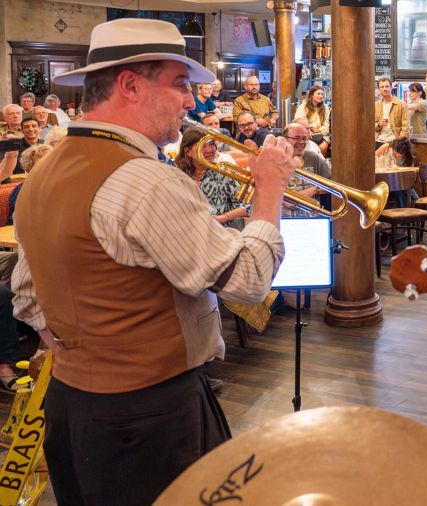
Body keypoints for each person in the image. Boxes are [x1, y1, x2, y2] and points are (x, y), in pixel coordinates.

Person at [11, 18, 293, 505]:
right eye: (181, 84)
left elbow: (27, 290)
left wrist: (82, 347)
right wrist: (271, 190)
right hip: (150, 417)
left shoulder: (43, 171)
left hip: (73, 406)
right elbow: (247, 281)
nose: (191, 100)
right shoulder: (146, 180)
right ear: (130, 85)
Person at [175, 127, 250, 228]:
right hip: (187, 230)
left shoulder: (224, 173)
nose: (209, 150)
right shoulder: (179, 175)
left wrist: (223, 218)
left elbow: (247, 207)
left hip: (220, 231)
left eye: (211, 144)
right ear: (188, 151)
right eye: (202, 146)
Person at [293, 85, 331, 154]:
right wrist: (307, 131)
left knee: (323, 146)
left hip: (321, 135)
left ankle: (320, 163)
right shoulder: (303, 107)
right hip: (306, 134)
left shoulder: (325, 108)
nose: (321, 96)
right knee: (309, 148)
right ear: (311, 95)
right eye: (318, 94)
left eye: (322, 94)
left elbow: (326, 125)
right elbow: (298, 122)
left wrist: (318, 130)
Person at [374, 77, 408, 149]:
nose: (385, 89)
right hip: (378, 141)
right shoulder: (376, 105)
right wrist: (379, 124)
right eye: (382, 87)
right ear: (379, 89)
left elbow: (405, 127)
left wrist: (399, 143)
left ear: (391, 87)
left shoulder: (401, 104)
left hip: (394, 142)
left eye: (387, 86)